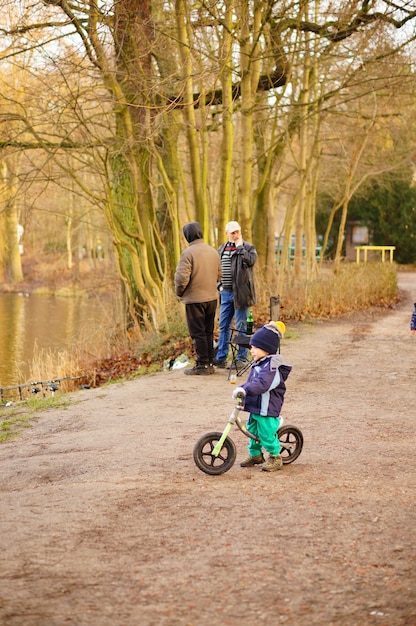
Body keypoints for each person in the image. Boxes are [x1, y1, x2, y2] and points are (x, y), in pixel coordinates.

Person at [232, 322, 291, 472]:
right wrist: (242, 389)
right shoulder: (259, 364)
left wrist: (246, 390)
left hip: (267, 408)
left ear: (267, 349)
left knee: (266, 433)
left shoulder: (271, 368)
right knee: (252, 431)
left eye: (255, 347)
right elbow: (251, 382)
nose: (251, 351)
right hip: (256, 406)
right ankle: (256, 455)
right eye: (251, 347)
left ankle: (275, 456)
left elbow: (262, 384)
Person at [174, 222, 222, 375]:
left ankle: (202, 365)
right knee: (208, 331)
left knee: (198, 332)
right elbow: (220, 274)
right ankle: (209, 362)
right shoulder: (213, 251)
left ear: (188, 235)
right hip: (212, 298)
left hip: (195, 299)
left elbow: (181, 278)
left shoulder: (188, 253)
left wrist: (180, 292)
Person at [213, 221, 257, 368]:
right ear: (227, 234)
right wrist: (219, 286)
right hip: (225, 292)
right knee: (223, 325)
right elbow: (216, 269)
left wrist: (240, 249)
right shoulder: (221, 249)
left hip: (241, 293)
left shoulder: (248, 248)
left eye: (237, 232)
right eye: (232, 232)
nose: (235, 235)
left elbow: (251, 261)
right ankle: (221, 357)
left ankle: (241, 358)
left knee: (241, 325)